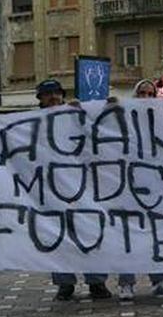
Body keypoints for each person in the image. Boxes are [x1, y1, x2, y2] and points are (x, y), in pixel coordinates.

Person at [36, 79, 111, 301]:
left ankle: (97, 282)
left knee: (91, 235)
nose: (53, 97)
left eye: (56, 93)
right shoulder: (31, 123)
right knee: (57, 239)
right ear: (40, 99)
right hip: (51, 191)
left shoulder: (77, 115)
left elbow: (102, 131)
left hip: (83, 188)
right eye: (47, 94)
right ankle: (64, 283)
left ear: (62, 95)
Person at [117, 80, 163, 300]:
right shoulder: (123, 118)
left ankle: (158, 282)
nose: (146, 97)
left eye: (151, 93)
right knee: (127, 237)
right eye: (141, 93)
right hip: (127, 188)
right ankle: (126, 284)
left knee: (155, 236)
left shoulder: (162, 120)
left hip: (155, 188)